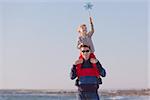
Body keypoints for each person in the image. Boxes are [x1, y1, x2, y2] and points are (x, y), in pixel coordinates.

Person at [77, 16, 103, 84]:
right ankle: (78, 78)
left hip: (90, 52)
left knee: (94, 64)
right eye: (83, 30)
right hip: (83, 54)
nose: (85, 31)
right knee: (79, 64)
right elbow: (77, 46)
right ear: (80, 31)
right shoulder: (80, 38)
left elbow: (93, 31)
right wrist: (80, 45)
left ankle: (98, 77)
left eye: (86, 29)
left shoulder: (88, 35)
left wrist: (91, 23)